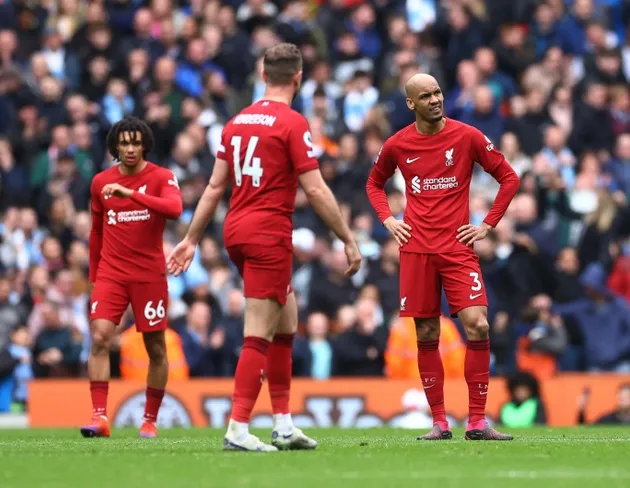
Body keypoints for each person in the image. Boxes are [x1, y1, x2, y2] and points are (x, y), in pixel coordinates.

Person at [167, 43, 361, 451]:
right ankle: (237, 428)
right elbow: (316, 188)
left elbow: (216, 186)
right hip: (268, 234)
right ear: (298, 78)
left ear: (262, 76)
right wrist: (346, 236)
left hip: (236, 230)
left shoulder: (236, 121)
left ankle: (284, 424)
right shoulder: (292, 123)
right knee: (259, 331)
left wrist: (190, 238)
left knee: (286, 322)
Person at [366, 73, 519, 441]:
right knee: (427, 331)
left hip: (457, 248)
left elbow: (509, 177)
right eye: (425, 95)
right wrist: (388, 220)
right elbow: (374, 183)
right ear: (411, 104)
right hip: (416, 248)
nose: (435, 99)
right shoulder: (398, 144)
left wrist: (487, 225)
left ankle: (478, 421)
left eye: (437, 92)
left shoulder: (467, 136)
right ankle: (439, 421)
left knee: (478, 325)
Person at [82, 116, 183, 439]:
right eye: (124, 142)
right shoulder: (100, 183)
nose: (129, 148)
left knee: (155, 346)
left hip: (148, 274)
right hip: (111, 273)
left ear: (145, 145)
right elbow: (96, 232)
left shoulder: (162, 177)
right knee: (99, 337)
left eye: (135, 142)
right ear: (115, 145)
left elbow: (175, 209)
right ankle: (99, 418)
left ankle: (149, 420)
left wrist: (132, 194)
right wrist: (94, 276)